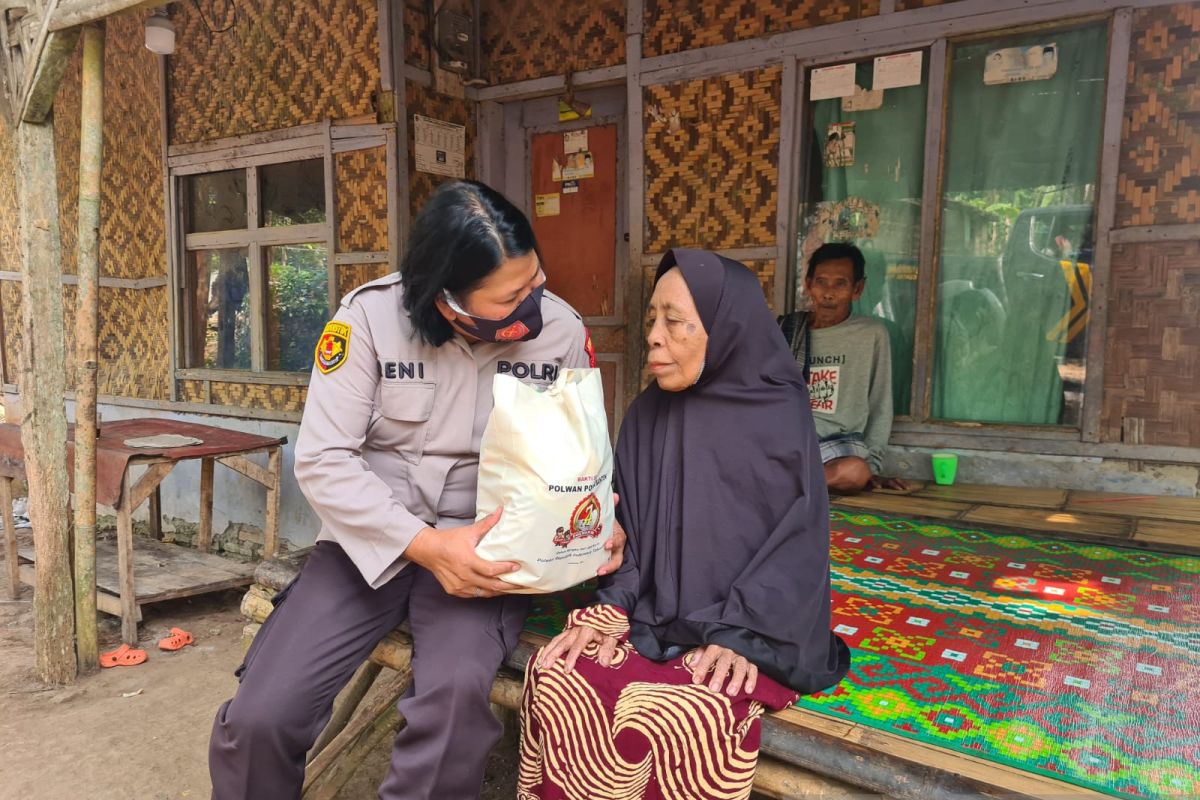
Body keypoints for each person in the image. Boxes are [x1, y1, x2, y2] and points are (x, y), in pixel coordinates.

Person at [208, 180, 624, 800]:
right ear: (448, 300)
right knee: (263, 715)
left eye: (535, 280)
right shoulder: (368, 320)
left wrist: (590, 524)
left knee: (453, 710)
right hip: (369, 544)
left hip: (488, 547)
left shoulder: (560, 331)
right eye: (512, 296)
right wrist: (427, 548)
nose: (534, 302)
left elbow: (577, 453)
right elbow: (323, 461)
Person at [519, 249, 850, 799]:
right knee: (558, 674)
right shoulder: (648, 414)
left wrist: (740, 633)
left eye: (675, 322)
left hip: (757, 627)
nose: (653, 335)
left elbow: (797, 546)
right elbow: (631, 528)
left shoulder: (777, 414)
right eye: (653, 319)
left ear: (725, 329)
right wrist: (613, 605)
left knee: (690, 709)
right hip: (658, 612)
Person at [780, 242, 905, 494]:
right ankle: (791, 483)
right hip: (787, 441)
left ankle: (778, 485)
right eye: (821, 282)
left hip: (837, 444)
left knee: (855, 472)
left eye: (840, 284)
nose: (828, 293)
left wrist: (873, 467)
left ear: (857, 289)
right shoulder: (786, 329)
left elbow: (880, 403)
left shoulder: (871, 334)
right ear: (808, 283)